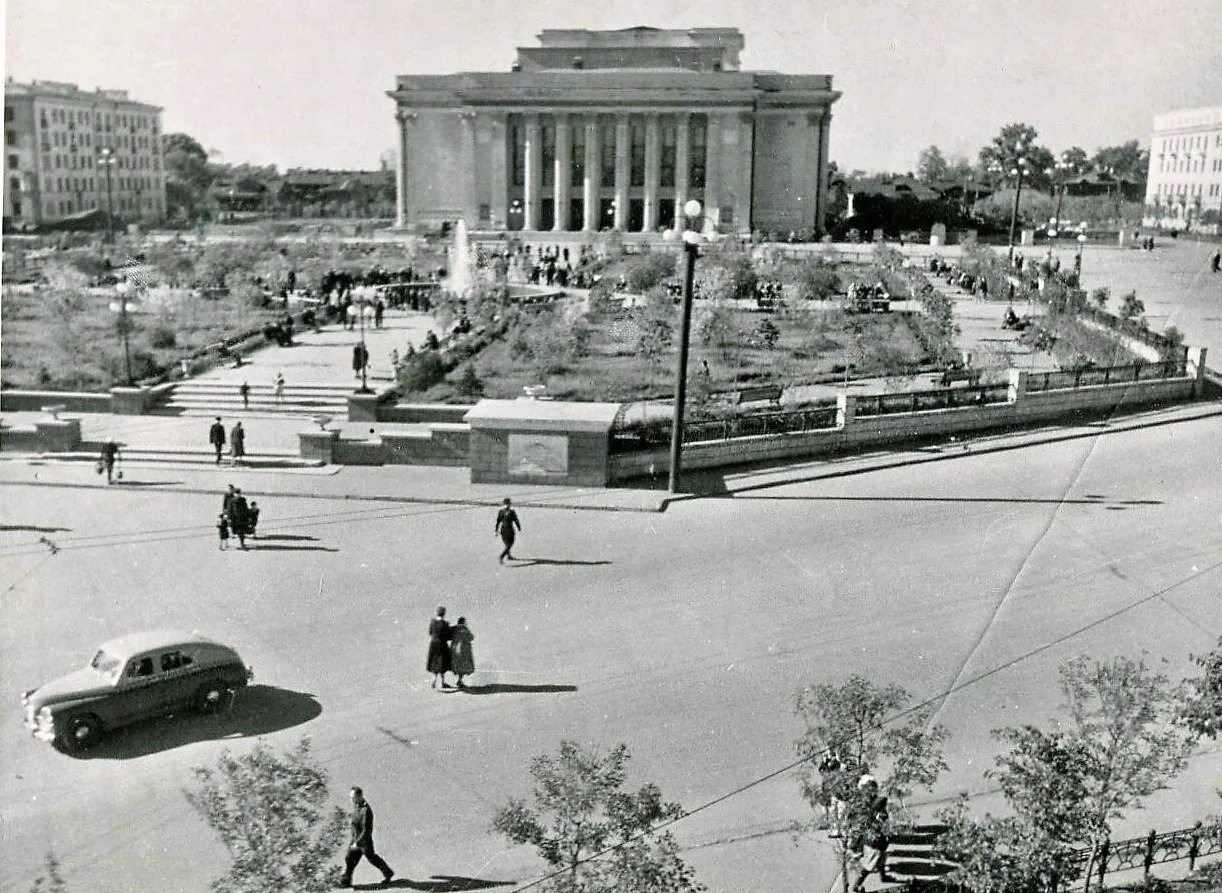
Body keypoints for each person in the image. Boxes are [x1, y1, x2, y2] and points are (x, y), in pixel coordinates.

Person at [339, 787, 394, 888]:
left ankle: (388, 873)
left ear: (360, 797)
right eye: (351, 797)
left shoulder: (366, 810)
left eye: (354, 797)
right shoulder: (356, 806)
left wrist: (357, 843)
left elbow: (366, 830)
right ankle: (346, 881)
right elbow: (354, 819)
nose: (352, 799)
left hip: (364, 841)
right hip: (355, 838)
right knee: (349, 859)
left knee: (372, 858)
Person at [427, 606, 452, 689]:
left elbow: (430, 632)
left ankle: (434, 680)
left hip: (433, 643)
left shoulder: (432, 622)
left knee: (434, 661)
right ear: (444, 614)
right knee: (442, 663)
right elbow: (448, 636)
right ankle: (442, 682)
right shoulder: (445, 623)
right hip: (442, 644)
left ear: (436, 613)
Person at [450, 617, 475, 689]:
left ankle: (459, 681)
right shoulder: (465, 629)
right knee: (463, 666)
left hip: (455, 650)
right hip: (463, 651)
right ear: (463, 622)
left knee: (457, 666)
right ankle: (460, 681)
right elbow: (471, 637)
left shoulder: (454, 629)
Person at [495, 497, 521, 563]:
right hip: (509, 529)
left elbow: (498, 521)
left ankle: (509, 555)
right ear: (509, 504)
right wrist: (519, 528)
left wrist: (496, 530)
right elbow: (516, 520)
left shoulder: (501, 511)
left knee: (507, 543)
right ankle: (501, 556)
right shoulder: (512, 512)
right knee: (510, 543)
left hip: (503, 529)